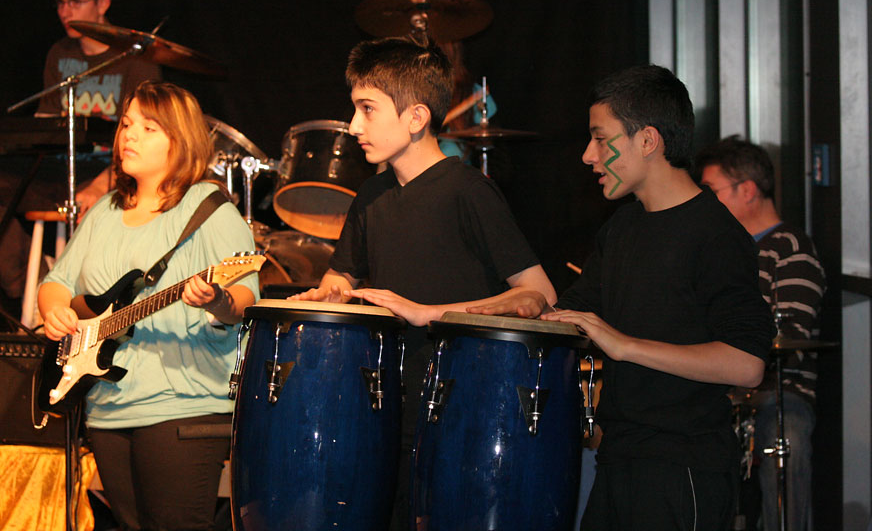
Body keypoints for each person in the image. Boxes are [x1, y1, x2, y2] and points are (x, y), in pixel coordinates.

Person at [471, 65, 775, 530]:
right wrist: (526, 307)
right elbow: (573, 314)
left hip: (682, 467)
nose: (588, 155)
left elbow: (747, 363)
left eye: (600, 138)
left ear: (648, 140)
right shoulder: (622, 228)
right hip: (619, 458)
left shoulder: (716, 234)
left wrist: (625, 345)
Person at [290, 35, 557, 529]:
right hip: (383, 401)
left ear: (416, 118)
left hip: (458, 406)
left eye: (368, 109)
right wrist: (329, 292)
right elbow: (341, 273)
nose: (354, 126)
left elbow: (539, 292)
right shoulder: (371, 194)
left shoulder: (468, 191)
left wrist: (429, 314)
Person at [39, 81, 257, 531]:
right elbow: (56, 282)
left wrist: (218, 299)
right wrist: (55, 311)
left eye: (148, 127)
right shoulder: (105, 210)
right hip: (107, 405)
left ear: (181, 139)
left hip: (183, 408)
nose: (129, 136)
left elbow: (245, 301)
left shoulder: (210, 209)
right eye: (126, 124)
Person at [0, 0, 160, 300]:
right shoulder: (59, 53)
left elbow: (145, 143)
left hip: (113, 175)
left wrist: (101, 184)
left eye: (76, 2)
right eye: (61, 3)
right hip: (58, 170)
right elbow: (48, 128)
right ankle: (37, 289)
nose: (65, 12)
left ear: (102, 3)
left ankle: (90, 300)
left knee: (102, 203)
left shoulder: (135, 60)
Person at [695, 135, 826, 531]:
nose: (705, 201)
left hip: (778, 392)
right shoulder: (723, 248)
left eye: (712, 191)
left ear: (748, 189)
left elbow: (790, 336)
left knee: (787, 434)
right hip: (723, 387)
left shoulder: (790, 248)